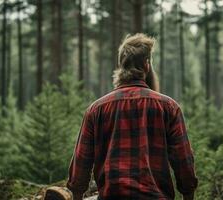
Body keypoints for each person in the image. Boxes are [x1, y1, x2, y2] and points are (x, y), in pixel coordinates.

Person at [67, 33, 198, 200]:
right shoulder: (168, 107)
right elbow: (183, 159)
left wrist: (77, 193)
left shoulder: (96, 109)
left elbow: (81, 161)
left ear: (121, 65)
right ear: (146, 65)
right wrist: (188, 193)